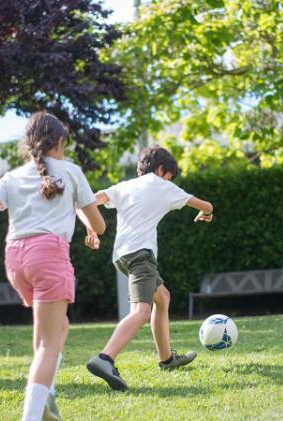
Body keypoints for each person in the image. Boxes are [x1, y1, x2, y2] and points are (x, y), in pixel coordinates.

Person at [0, 112, 105, 421]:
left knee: (57, 328)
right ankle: (31, 416)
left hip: (15, 259)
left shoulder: (12, 176)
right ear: (60, 141)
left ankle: (46, 397)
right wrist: (89, 223)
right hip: (48, 256)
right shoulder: (71, 171)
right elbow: (98, 225)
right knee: (49, 342)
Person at [82, 145, 213, 391]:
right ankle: (105, 358)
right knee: (141, 312)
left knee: (162, 297)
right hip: (141, 255)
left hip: (121, 256)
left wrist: (91, 228)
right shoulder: (163, 186)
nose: (169, 181)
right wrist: (206, 214)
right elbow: (205, 205)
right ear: (163, 170)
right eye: (169, 176)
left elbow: (92, 201)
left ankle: (167, 359)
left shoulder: (125, 186)